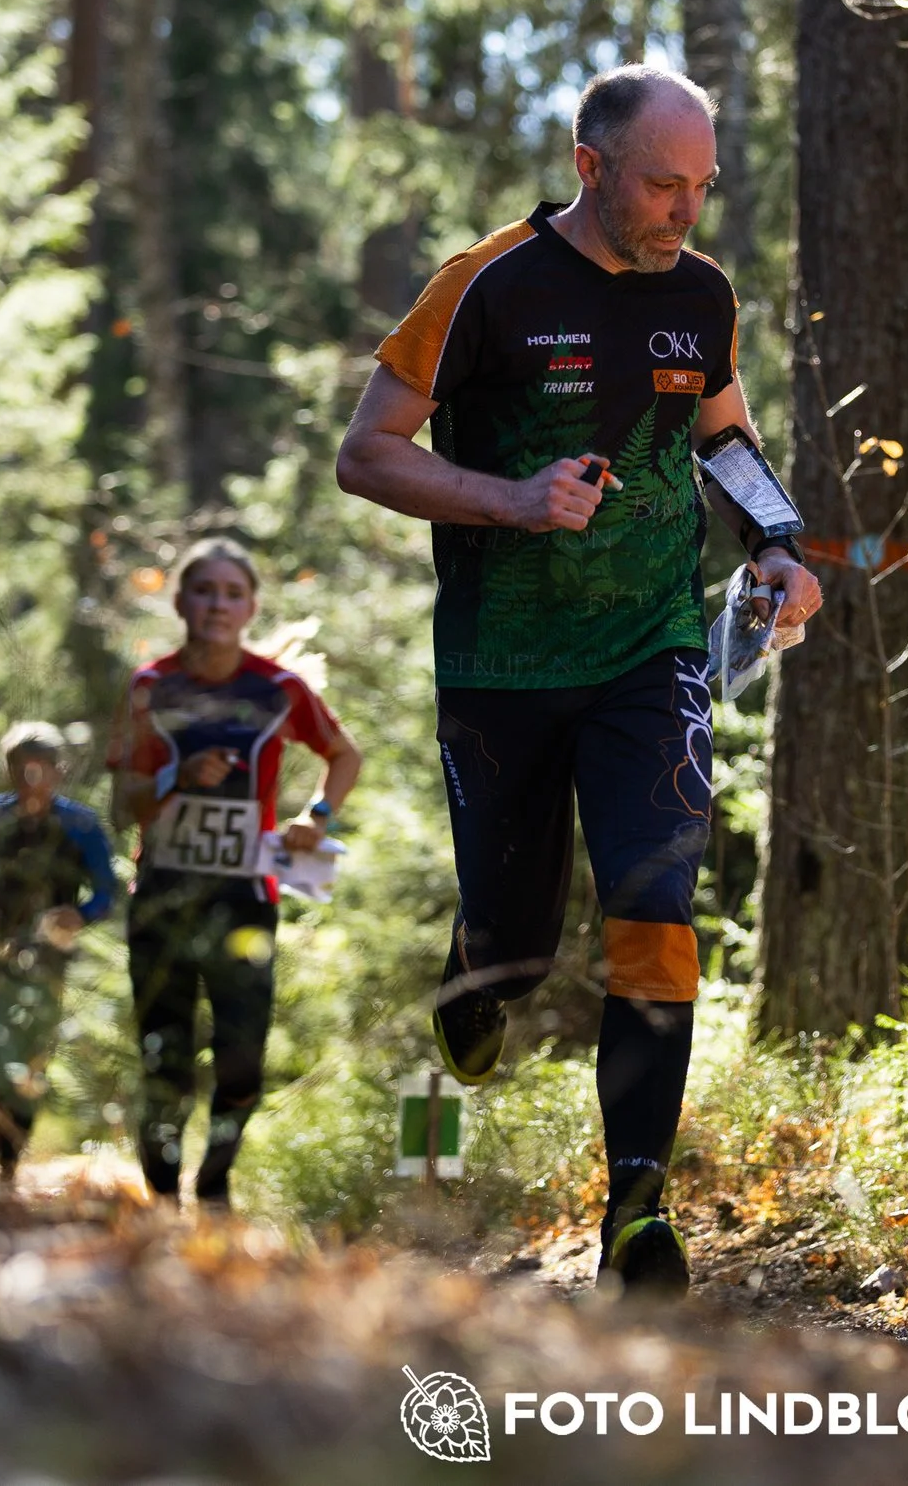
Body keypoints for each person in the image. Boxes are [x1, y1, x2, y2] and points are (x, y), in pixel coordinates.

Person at [336, 63, 823, 1295]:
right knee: (516, 940)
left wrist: (779, 545)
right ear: (589, 166)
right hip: (502, 663)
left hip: (650, 654)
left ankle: (637, 1218)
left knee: (656, 915)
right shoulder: (483, 284)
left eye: (703, 187)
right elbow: (365, 453)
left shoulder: (700, 295)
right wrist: (507, 498)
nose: (686, 212)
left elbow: (724, 433)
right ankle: (477, 963)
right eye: (665, 184)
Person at [108, 537, 364, 1207]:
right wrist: (176, 776)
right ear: (181, 600)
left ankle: (215, 1181)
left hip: (244, 896)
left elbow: (344, 755)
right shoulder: (150, 686)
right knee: (163, 1053)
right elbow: (123, 802)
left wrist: (318, 814)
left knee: (242, 1055)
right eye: (204, 590)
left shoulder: (277, 688)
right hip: (162, 893)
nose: (217, 604)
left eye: (232, 593)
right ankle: (163, 1195)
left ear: (250, 606)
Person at [0, 721, 123, 1184]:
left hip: (47, 961)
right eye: (22, 769)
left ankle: (10, 1166)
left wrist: (79, 915)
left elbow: (107, 889)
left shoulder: (79, 825)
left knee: (32, 1060)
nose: (32, 779)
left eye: (42, 769)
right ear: (8, 770)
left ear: (59, 771)